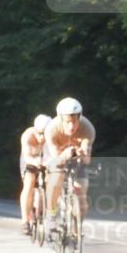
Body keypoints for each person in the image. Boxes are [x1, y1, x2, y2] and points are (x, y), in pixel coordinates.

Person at [44, 97, 96, 235]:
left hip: (77, 161)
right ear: (60, 119)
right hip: (58, 158)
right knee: (56, 179)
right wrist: (64, 155)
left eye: (74, 121)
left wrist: (82, 153)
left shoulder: (87, 128)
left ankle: (76, 231)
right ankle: (51, 215)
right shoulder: (51, 129)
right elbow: (55, 159)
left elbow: (87, 159)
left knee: (82, 197)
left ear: (80, 117)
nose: (71, 126)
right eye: (67, 122)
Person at [19, 114, 52, 235]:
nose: (42, 137)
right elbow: (27, 156)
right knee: (29, 183)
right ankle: (25, 220)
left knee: (51, 181)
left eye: (45, 134)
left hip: (46, 160)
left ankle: (45, 210)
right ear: (35, 129)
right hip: (29, 160)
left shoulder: (53, 135)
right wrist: (35, 161)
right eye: (39, 133)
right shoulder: (28, 135)